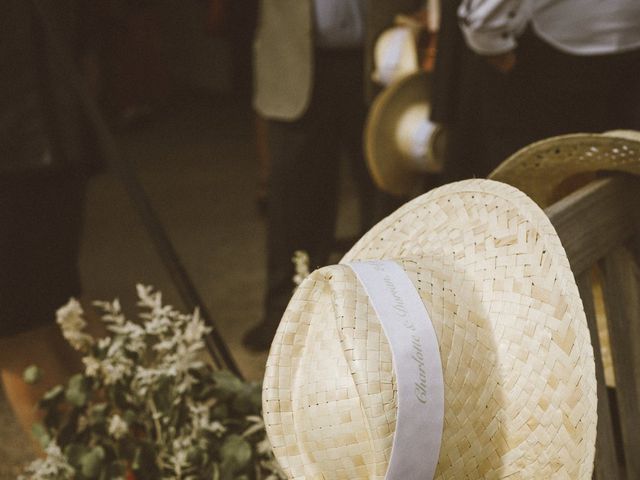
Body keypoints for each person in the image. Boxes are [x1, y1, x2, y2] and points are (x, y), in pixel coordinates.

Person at [242, 0, 424, 351]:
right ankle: (287, 315)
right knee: (294, 195)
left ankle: (387, 314)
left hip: (380, 60)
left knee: (384, 190)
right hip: (294, 61)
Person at [0, 0, 95, 434]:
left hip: (20, 143)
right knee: (61, 318)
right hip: (47, 131)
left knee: (22, 334)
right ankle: (129, 458)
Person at [455, 0, 640, 171]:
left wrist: (488, 36)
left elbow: (483, 21)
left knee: (545, 183)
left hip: (554, 60)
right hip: (565, 54)